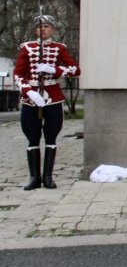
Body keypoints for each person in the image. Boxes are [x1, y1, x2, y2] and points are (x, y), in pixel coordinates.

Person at [13, 15, 81, 190]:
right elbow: (18, 74)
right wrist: (28, 91)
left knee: (51, 136)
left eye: (47, 26)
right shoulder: (27, 48)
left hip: (53, 96)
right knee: (32, 136)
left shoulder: (60, 48)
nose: (43, 29)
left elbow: (75, 70)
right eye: (39, 27)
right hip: (31, 98)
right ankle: (34, 178)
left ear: (53, 29)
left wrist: (54, 69)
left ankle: (48, 177)